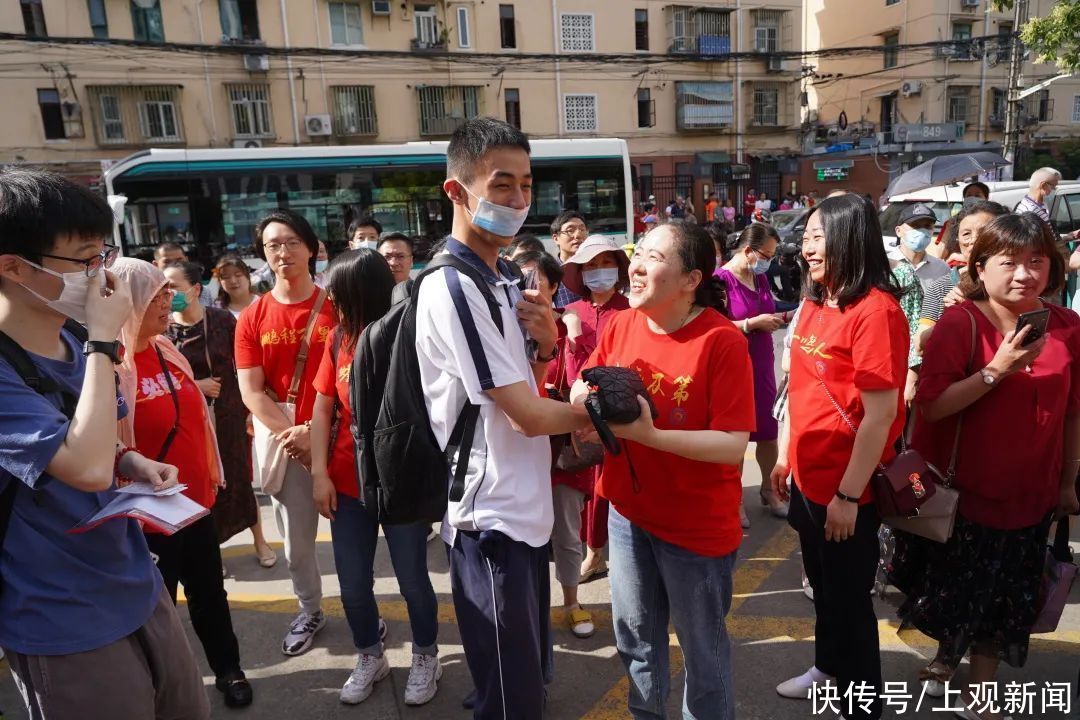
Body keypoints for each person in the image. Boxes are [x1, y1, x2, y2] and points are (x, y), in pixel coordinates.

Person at [0, 168, 208, 720]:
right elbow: (85, 470)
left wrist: (131, 458)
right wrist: (101, 339)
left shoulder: (69, 338)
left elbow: (96, 447)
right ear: (14, 268)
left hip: (136, 584)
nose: (102, 274)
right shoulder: (54, 351)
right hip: (62, 617)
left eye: (104, 255)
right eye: (85, 260)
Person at [418, 117, 591, 720]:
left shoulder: (506, 278)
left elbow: (526, 391)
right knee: (510, 692)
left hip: (524, 507)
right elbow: (523, 416)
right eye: (501, 186)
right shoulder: (453, 287)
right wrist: (605, 416)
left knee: (525, 676)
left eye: (526, 185)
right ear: (456, 191)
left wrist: (545, 348)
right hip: (489, 516)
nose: (518, 201)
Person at [890, 213, 1080, 719]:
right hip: (967, 495)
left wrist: (1068, 481)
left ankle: (975, 683)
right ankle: (958, 667)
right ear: (980, 265)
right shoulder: (961, 323)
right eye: (1009, 262)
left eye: (1036, 261)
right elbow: (932, 406)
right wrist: (997, 370)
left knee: (1001, 598)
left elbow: (1073, 411)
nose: (1024, 273)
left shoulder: (1067, 327)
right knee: (962, 592)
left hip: (1033, 492)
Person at [568, 220, 755, 720]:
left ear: (691, 279)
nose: (635, 265)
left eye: (653, 256)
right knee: (637, 641)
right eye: (639, 252)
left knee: (703, 655)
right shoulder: (623, 323)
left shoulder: (721, 341)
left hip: (695, 530)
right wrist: (581, 400)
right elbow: (589, 380)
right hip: (628, 515)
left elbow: (732, 444)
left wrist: (650, 437)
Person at [770, 194, 909, 720]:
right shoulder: (816, 301)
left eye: (818, 235)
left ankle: (861, 702)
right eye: (805, 236)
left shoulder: (876, 311)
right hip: (807, 478)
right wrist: (785, 457)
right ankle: (827, 671)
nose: (806, 247)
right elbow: (799, 393)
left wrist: (849, 496)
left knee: (850, 603)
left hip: (849, 488)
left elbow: (879, 417)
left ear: (853, 237)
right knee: (823, 588)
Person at [115, 257, 253, 710]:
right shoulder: (111, 367)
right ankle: (163, 690)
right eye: (155, 295)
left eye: (167, 292)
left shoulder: (166, 348)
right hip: (147, 516)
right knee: (157, 611)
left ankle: (228, 670)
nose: (167, 301)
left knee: (210, 593)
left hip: (194, 503)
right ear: (129, 301)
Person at [309, 249, 441, 705]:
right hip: (347, 484)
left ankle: (426, 654)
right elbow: (323, 406)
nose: (330, 299)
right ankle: (369, 653)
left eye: (336, 291)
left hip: (399, 481)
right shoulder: (338, 338)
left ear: (358, 291)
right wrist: (319, 475)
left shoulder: (409, 335)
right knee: (351, 584)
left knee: (413, 580)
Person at [235, 208, 338, 656]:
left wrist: (319, 436)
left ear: (312, 247)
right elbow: (252, 393)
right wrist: (297, 436)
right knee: (297, 546)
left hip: (343, 434)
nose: (283, 252)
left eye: (292, 241)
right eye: (273, 244)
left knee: (357, 535)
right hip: (289, 442)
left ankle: (363, 605)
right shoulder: (252, 316)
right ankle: (310, 608)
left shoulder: (338, 305)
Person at [166, 261, 265, 562]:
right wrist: (197, 384)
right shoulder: (163, 329)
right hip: (187, 420)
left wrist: (252, 407)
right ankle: (211, 552)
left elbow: (246, 364)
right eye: (164, 288)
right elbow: (161, 377)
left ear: (196, 290)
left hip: (228, 415)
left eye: (174, 287)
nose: (169, 294)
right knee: (201, 483)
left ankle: (260, 541)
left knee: (238, 478)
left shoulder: (223, 320)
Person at [557, 236, 632, 633]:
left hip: (617, 416)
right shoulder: (570, 310)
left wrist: (578, 338)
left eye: (606, 262)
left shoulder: (631, 312)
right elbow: (562, 369)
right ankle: (592, 551)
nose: (598, 271)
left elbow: (617, 367)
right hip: (575, 415)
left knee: (610, 488)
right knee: (579, 489)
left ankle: (599, 550)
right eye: (590, 265)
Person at [716, 225, 790, 525]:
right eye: (766, 254)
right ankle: (734, 499)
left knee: (768, 433)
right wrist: (749, 324)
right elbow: (712, 326)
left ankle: (768, 489)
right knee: (735, 434)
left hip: (760, 362)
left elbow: (769, 307)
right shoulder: (720, 280)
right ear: (747, 250)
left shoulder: (759, 278)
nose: (768, 261)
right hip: (732, 365)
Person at [916, 201, 1009, 353]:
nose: (973, 240)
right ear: (958, 241)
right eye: (966, 234)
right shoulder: (942, 287)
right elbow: (920, 346)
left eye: (984, 231)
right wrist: (951, 316)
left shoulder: (1016, 281)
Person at [894, 203, 950, 289]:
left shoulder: (942, 268)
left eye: (928, 226)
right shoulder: (884, 265)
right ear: (898, 231)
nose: (922, 231)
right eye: (916, 226)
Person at [155, 241, 214, 306]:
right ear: (155, 265)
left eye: (179, 261)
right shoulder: (149, 296)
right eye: (167, 262)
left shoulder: (204, 292)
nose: (174, 265)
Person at [551, 210, 588, 309]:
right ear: (556, 238)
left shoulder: (593, 267)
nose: (578, 235)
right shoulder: (550, 272)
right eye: (570, 231)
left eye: (582, 229)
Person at [215, 254, 261, 319]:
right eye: (226, 277)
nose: (233, 281)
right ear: (220, 282)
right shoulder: (216, 312)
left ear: (248, 277)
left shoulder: (265, 302)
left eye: (238, 275)